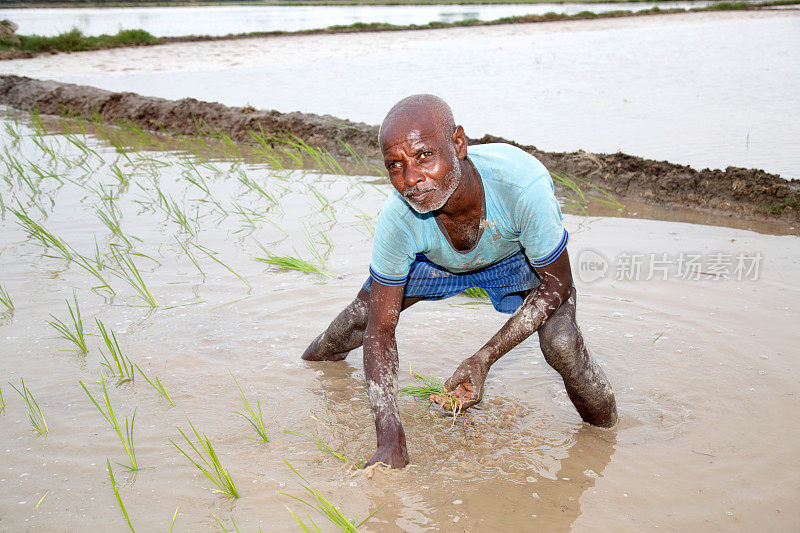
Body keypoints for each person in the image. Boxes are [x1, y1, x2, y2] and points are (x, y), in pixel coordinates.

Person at [302, 94, 617, 469]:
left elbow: (557, 283)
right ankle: (309, 367)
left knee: (562, 343)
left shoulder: (520, 183)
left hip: (515, 257)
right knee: (359, 319)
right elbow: (381, 332)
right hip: (437, 262)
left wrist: (483, 358)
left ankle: (607, 440)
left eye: (423, 156)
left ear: (458, 144)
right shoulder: (399, 219)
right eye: (395, 165)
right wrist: (390, 440)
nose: (411, 180)